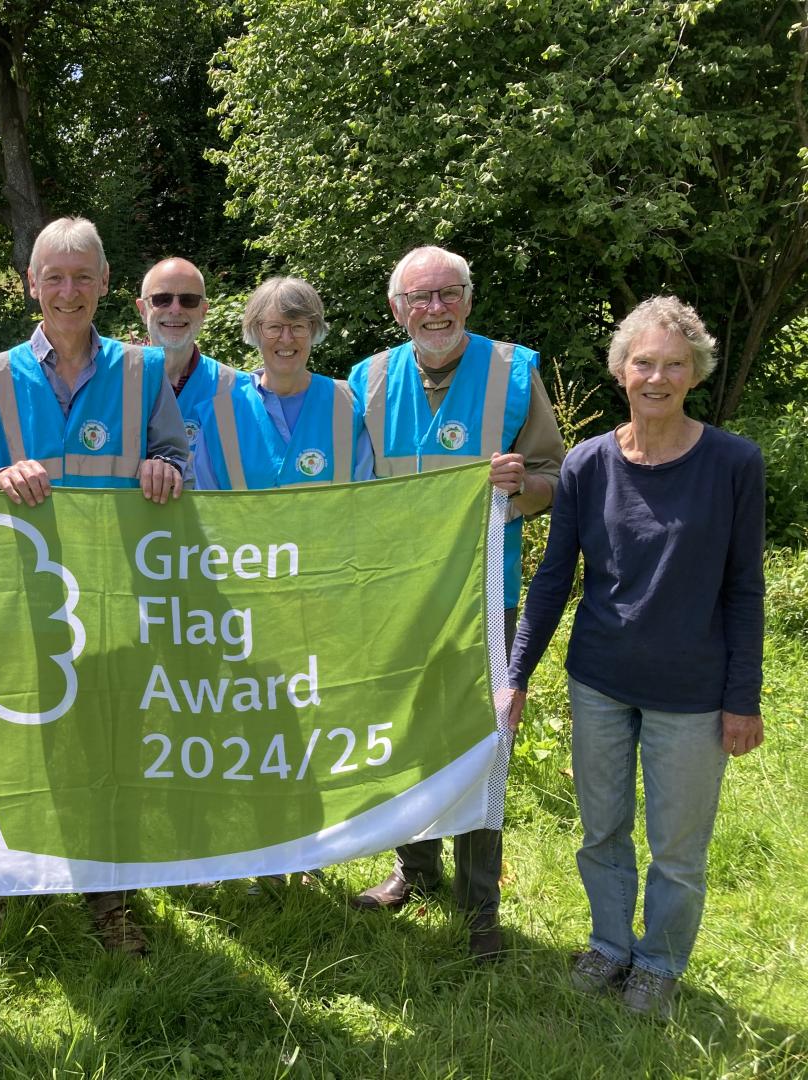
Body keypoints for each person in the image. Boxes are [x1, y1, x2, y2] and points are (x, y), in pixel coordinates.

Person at [506, 297, 764, 1017]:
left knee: (677, 848)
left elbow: (745, 588)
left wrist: (744, 698)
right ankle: (610, 945)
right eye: (643, 362)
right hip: (600, 683)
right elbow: (555, 576)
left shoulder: (734, 463)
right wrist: (516, 676)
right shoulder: (588, 463)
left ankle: (659, 964)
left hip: (694, 691)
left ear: (695, 374)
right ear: (622, 369)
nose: (657, 376)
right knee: (602, 829)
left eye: (674, 364)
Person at [0, 216, 190, 953]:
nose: (68, 290)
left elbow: (176, 458)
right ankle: (13, 887)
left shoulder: (144, 369)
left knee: (110, 753)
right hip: (18, 600)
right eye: (53, 276)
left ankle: (108, 898)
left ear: (105, 284)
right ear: (32, 285)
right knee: (18, 747)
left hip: (114, 599)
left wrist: (166, 471)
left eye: (82, 276)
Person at [346, 245, 566, 961]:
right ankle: (414, 870)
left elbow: (555, 479)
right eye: (419, 297)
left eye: (448, 293)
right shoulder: (366, 380)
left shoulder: (513, 370)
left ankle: (480, 909)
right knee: (407, 737)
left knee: (481, 745)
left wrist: (517, 486)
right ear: (396, 308)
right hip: (394, 595)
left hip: (482, 594)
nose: (434, 308)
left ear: (468, 300)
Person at [191, 276, 374, 490]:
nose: (286, 339)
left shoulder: (348, 403)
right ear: (255, 331)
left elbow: (366, 499)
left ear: (313, 330)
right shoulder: (219, 416)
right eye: (274, 327)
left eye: (298, 326)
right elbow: (207, 510)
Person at [134, 257, 236, 442]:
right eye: (162, 299)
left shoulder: (234, 388)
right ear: (142, 310)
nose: (175, 309)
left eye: (188, 300)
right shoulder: (111, 380)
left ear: (203, 311)